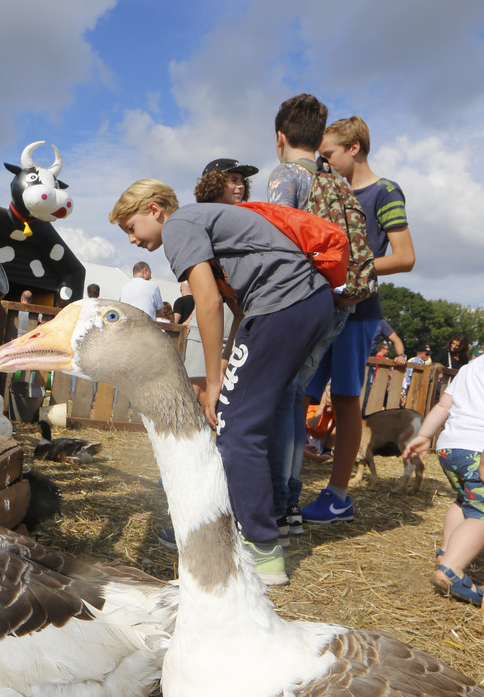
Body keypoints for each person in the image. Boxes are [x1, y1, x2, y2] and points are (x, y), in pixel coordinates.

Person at [109, 179, 335, 584]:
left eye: (131, 227)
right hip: (309, 302)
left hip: (283, 304)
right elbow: (238, 308)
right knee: (252, 416)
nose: (132, 239)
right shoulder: (204, 223)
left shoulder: (179, 226)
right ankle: (269, 522)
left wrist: (214, 380)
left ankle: (260, 549)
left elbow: (209, 303)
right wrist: (229, 362)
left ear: (155, 209)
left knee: (237, 426)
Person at [301, 116, 415, 524]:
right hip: (323, 308)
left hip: (361, 311)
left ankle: (337, 496)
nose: (323, 162)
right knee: (301, 394)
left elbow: (405, 257)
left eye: (328, 154)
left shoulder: (385, 192)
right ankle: (287, 483)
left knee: (347, 399)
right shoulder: (329, 190)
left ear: (354, 148)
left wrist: (349, 271)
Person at [265, 93, 349, 542]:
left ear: (280, 137)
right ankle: (292, 505)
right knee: (296, 395)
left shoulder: (287, 175)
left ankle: (279, 506)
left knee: (282, 396)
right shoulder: (335, 180)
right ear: (318, 139)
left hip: (298, 299)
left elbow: (279, 239)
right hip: (336, 304)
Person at [402, 353, 484, 606]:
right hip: (478, 448)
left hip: (449, 447)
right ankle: (451, 570)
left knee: (464, 500)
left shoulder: (472, 366)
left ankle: (446, 553)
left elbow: (443, 406)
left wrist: (424, 435)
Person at [194, 158, 259, 205]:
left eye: (242, 181)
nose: (241, 186)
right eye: (233, 180)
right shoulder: (199, 216)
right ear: (214, 184)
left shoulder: (249, 216)